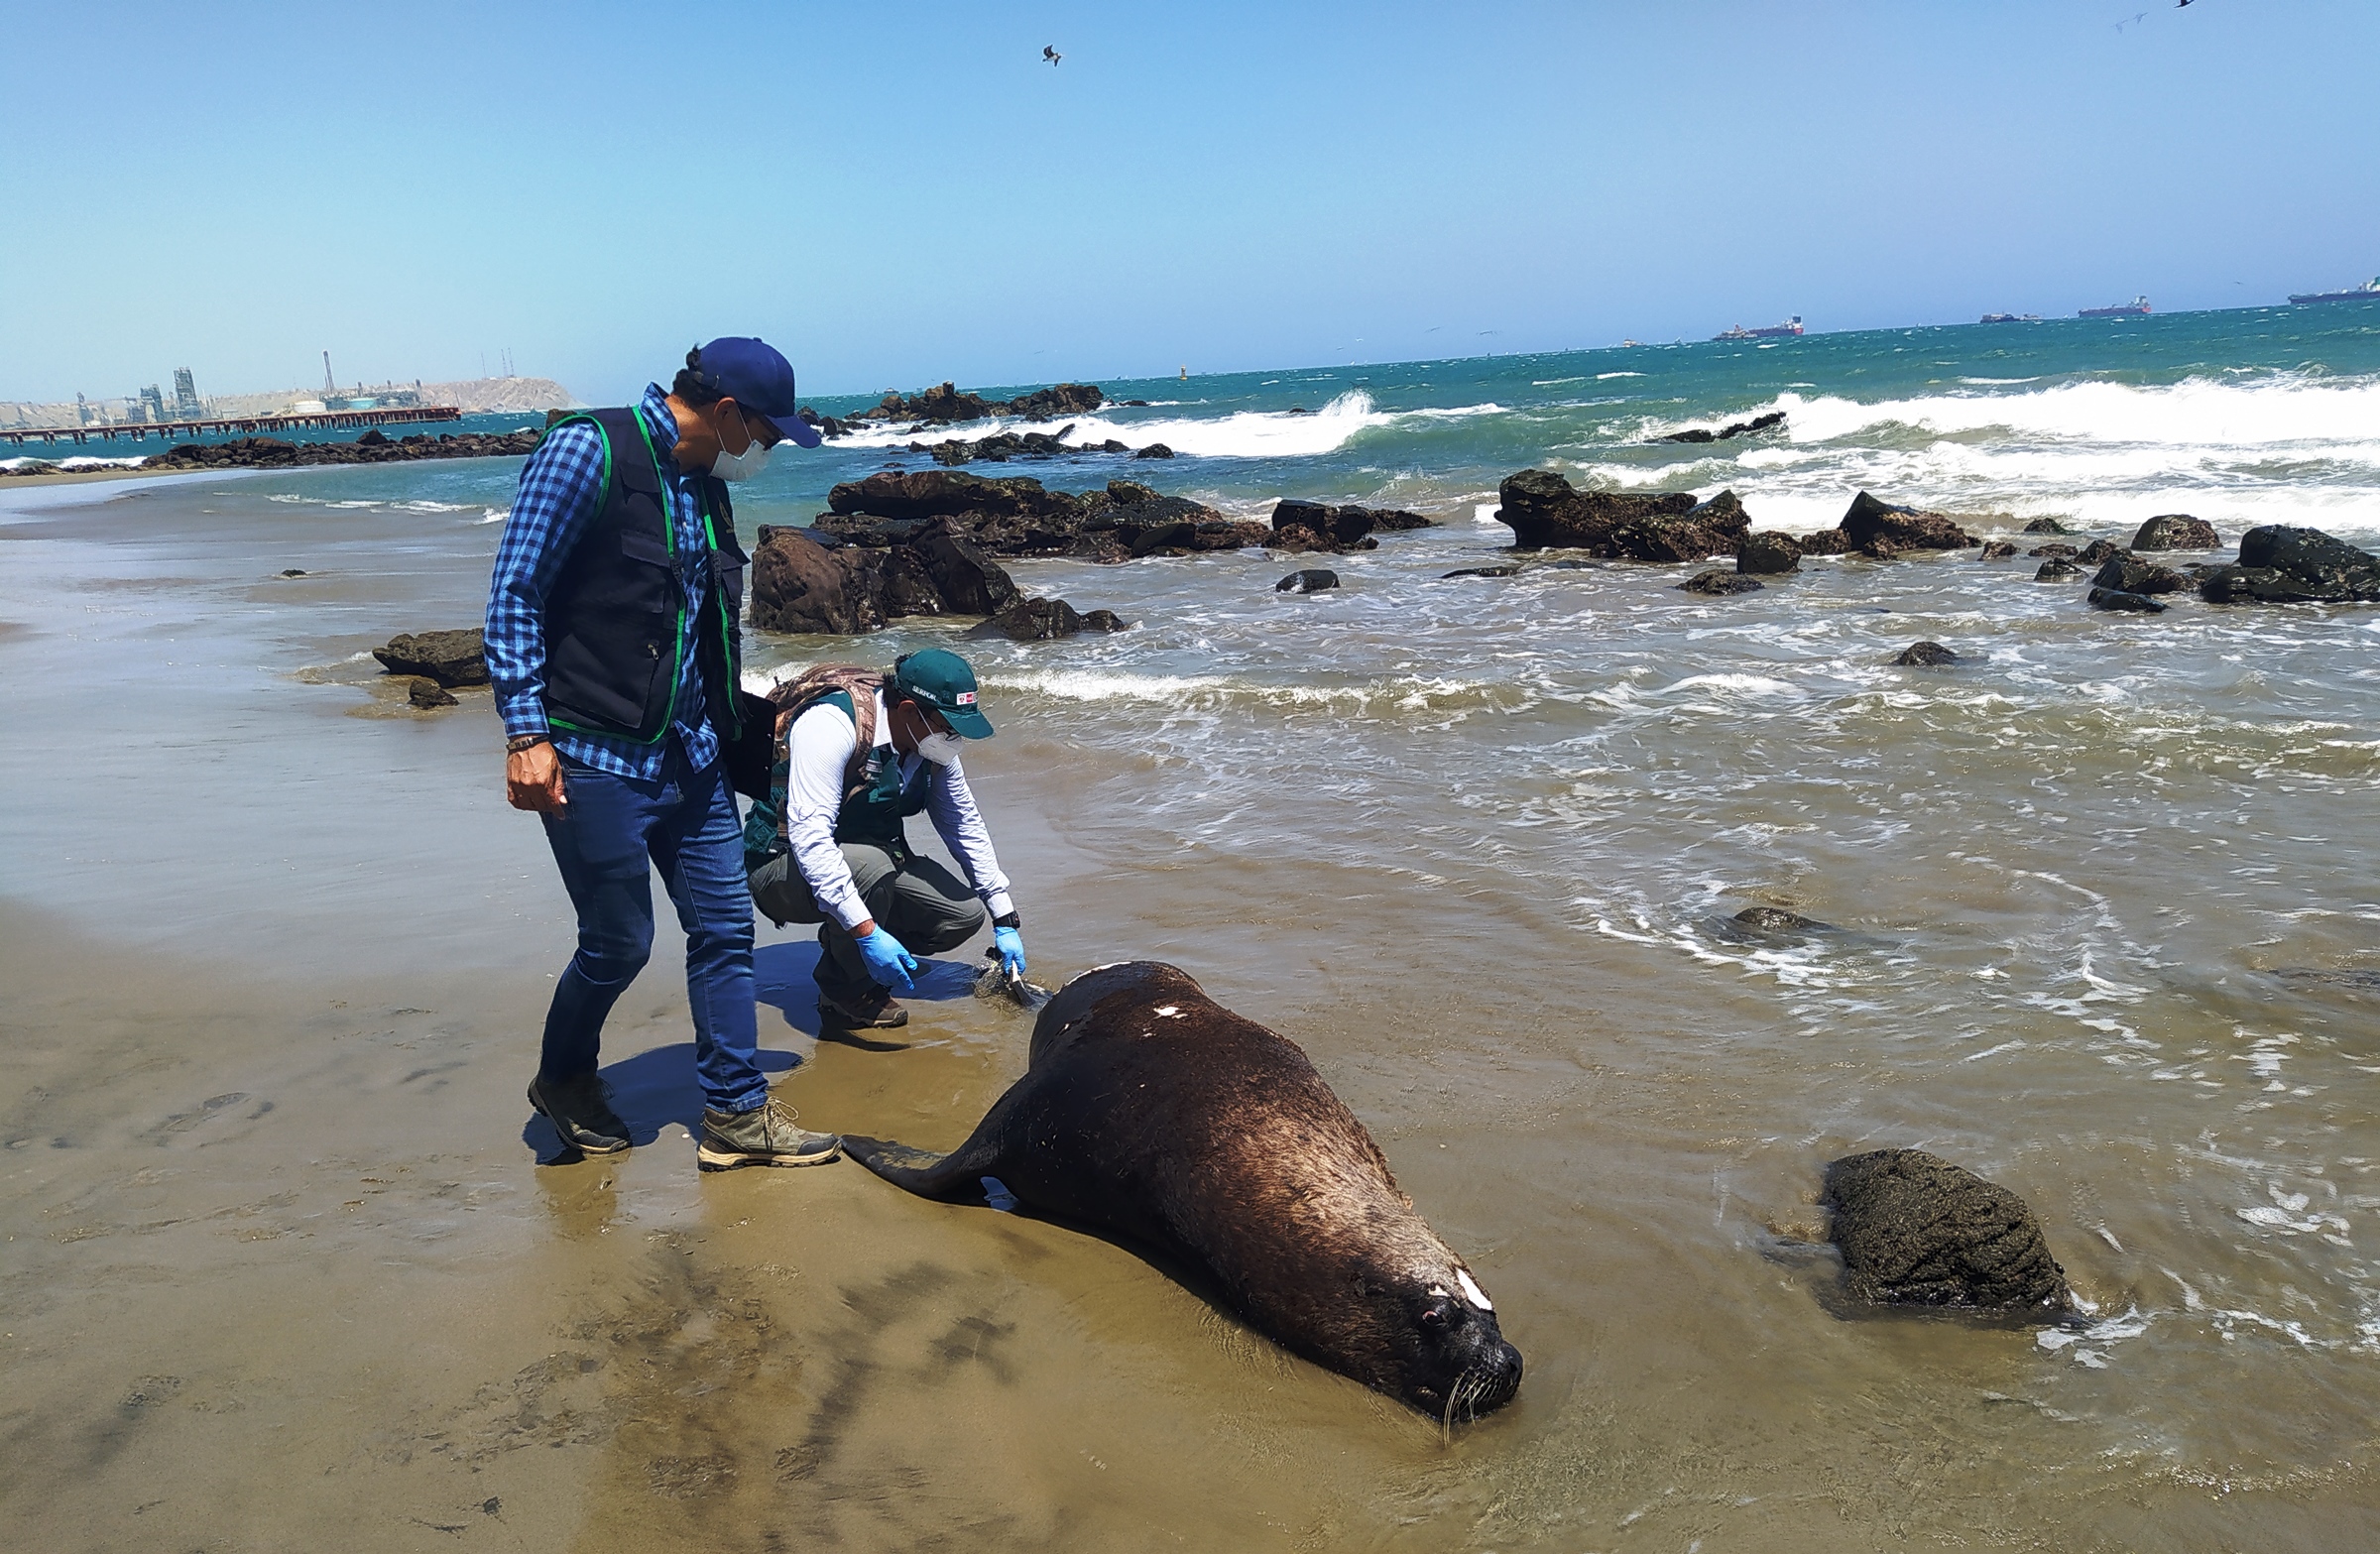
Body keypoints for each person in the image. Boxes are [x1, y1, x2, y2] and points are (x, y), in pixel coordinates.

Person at [486, 336, 841, 1172]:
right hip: (593, 752)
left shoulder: (707, 486)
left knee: (724, 928)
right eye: (768, 433)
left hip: (692, 754)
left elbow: (702, 624)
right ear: (724, 414)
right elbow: (516, 590)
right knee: (618, 942)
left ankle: (736, 1113)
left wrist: (751, 722)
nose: (769, 451)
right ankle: (564, 1077)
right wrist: (525, 734)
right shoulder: (588, 451)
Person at [744, 650, 1025, 1031]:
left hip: (864, 861)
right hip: (781, 865)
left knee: (962, 915)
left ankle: (847, 943)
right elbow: (811, 841)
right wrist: (867, 932)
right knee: (871, 869)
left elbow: (963, 822)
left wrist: (1003, 915)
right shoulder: (832, 724)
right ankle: (846, 990)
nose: (954, 739)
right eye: (949, 727)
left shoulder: (928, 744)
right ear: (909, 710)